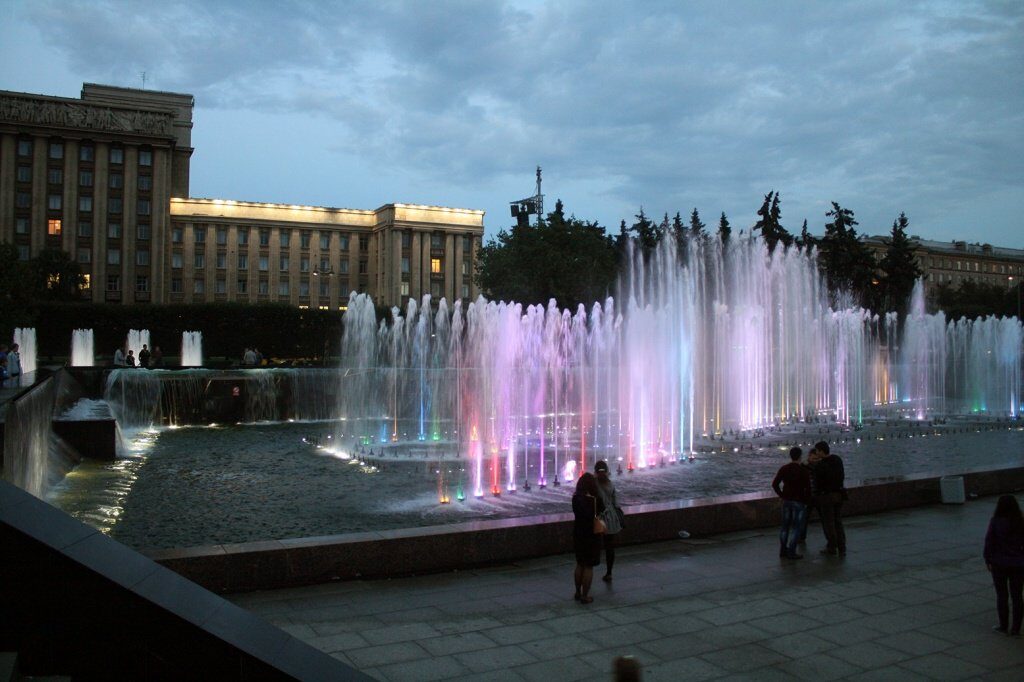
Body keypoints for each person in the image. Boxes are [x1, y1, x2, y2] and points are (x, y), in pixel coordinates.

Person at [984, 495, 1024, 636]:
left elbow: (989, 542)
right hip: (1018, 564)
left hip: (999, 563)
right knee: (1017, 596)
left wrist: (987, 559)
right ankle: (1016, 628)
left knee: (1002, 595)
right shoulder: (1021, 521)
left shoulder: (995, 522)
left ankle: (1003, 625)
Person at [772, 447, 812, 559]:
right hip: (799, 502)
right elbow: (808, 489)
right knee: (796, 527)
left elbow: (775, 484)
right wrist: (806, 501)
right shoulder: (803, 471)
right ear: (800, 456)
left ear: (790, 456)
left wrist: (782, 495)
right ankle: (791, 551)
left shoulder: (784, 468)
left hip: (786, 501)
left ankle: (783, 550)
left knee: (785, 527)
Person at [572, 472, 605, 604]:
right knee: (588, 566)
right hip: (592, 534)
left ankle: (577, 592)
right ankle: (585, 595)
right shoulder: (595, 500)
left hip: (578, 533)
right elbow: (601, 512)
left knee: (580, 564)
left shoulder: (575, 498)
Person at [812, 441, 846, 556]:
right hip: (839, 494)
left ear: (821, 451)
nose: (816, 453)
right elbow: (842, 475)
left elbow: (817, 483)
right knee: (838, 522)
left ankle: (832, 547)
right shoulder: (837, 459)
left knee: (829, 523)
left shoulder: (820, 466)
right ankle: (842, 547)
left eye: (817, 451)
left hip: (826, 497)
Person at [595, 460, 624, 581]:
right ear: (607, 471)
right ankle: (609, 573)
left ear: (595, 472)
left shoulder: (594, 484)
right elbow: (616, 503)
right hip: (611, 518)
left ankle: (589, 568)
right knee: (609, 546)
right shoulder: (610, 483)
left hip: (598, 518)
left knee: (595, 545)